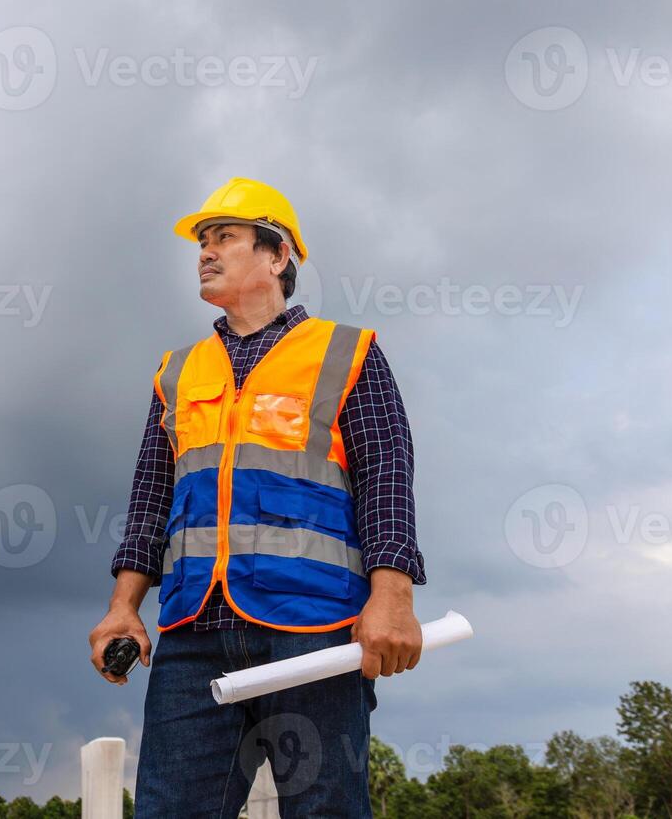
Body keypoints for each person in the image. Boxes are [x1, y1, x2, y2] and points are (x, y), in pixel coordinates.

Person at [87, 177, 428, 817]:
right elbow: (149, 498)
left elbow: (387, 477)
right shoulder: (177, 371)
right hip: (194, 635)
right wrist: (122, 608)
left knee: (324, 809)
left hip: (316, 631)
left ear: (278, 256)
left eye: (225, 237)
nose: (206, 252)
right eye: (202, 242)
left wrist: (393, 598)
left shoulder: (346, 352)